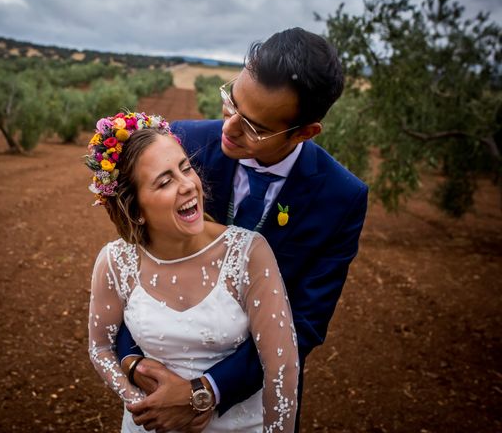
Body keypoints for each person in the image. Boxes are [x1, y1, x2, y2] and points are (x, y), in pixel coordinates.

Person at [117, 27, 369, 432]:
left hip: (255, 399)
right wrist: (134, 361)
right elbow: (132, 268)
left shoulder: (342, 197)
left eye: (255, 127)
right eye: (230, 103)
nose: (229, 128)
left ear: (305, 132)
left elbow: (303, 322)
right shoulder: (180, 144)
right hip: (157, 388)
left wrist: (207, 390)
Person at [86, 111, 300, 432]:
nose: (188, 185)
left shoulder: (248, 253)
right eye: (165, 181)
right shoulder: (115, 261)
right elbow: (101, 346)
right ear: (136, 210)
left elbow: (281, 370)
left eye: (185, 168)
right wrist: (141, 405)